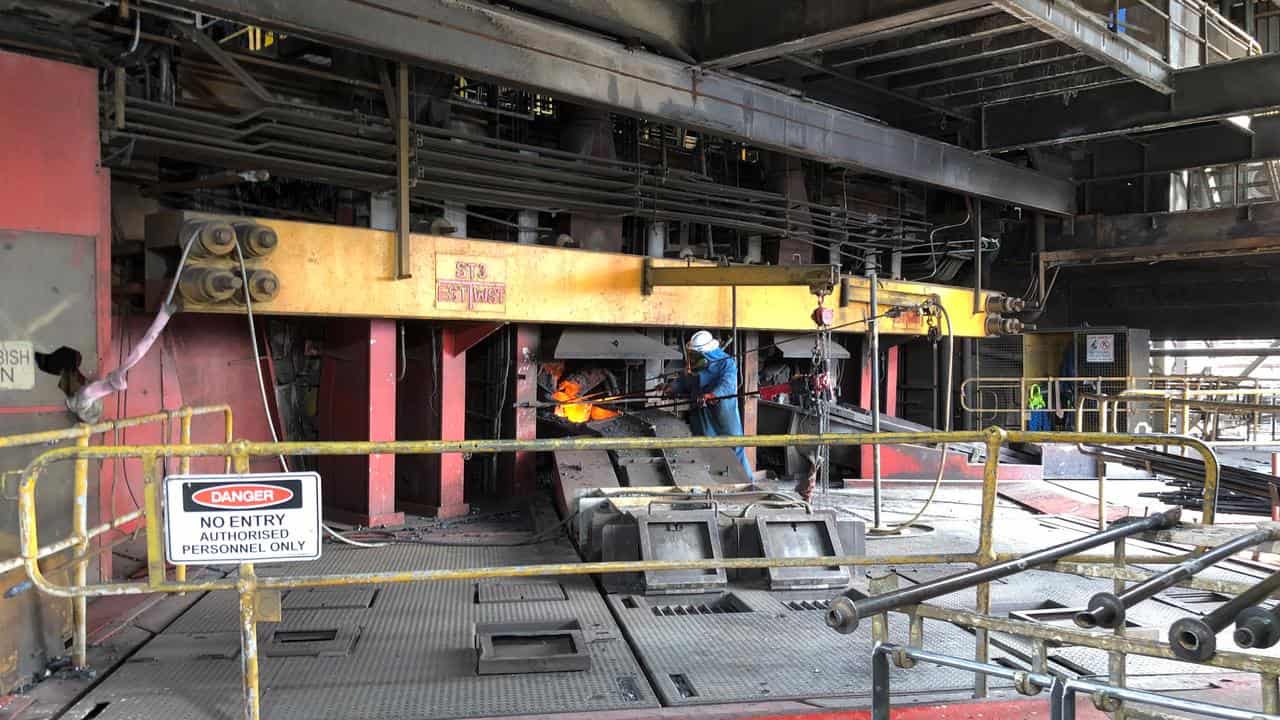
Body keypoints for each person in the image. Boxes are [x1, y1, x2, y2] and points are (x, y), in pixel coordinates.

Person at [664, 330, 752, 476]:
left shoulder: (726, 363)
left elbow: (727, 385)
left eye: (695, 354)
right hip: (701, 411)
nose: (692, 358)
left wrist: (712, 394)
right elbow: (685, 381)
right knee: (705, 446)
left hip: (723, 412)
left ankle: (747, 482)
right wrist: (672, 387)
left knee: (733, 446)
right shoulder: (696, 366)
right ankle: (713, 482)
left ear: (706, 353)